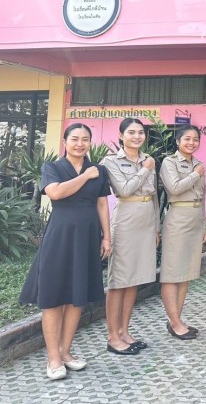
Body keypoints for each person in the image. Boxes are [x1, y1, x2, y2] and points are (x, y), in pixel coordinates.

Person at [20, 123, 112, 379]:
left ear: (90, 142)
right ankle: (53, 358)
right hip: (59, 236)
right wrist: (85, 176)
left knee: (76, 295)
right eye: (75, 139)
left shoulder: (99, 170)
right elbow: (56, 193)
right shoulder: (52, 167)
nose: (80, 144)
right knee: (53, 296)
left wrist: (106, 237)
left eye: (85, 139)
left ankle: (65, 351)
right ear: (65, 142)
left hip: (87, 236)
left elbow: (102, 204)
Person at [102, 117, 158, 354]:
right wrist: (145, 170)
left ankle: (125, 331)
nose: (137, 137)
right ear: (121, 135)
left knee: (134, 278)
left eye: (141, 132)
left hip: (146, 220)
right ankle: (113, 336)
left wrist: (156, 227)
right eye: (131, 132)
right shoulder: (111, 161)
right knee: (119, 280)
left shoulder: (148, 159)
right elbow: (124, 189)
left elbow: (154, 196)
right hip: (126, 219)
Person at [159, 124, 206, 340]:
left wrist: (204, 224)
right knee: (172, 273)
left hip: (195, 219)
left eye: (195, 139)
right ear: (178, 141)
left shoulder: (198, 163)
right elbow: (175, 188)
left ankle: (176, 320)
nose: (191, 143)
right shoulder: (169, 162)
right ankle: (175, 322)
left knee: (185, 273)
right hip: (178, 218)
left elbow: (202, 195)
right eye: (187, 139)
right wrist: (195, 175)